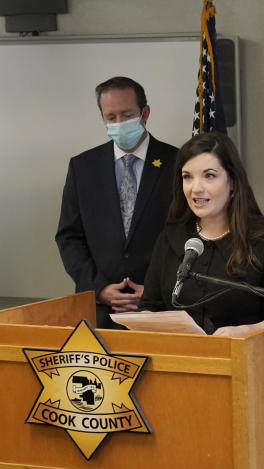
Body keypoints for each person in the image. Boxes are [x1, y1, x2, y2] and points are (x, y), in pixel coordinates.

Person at [139, 132, 264, 336]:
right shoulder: (171, 236)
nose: (196, 188)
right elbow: (150, 306)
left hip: (246, 359)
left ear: (232, 182)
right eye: (187, 177)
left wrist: (245, 332)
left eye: (209, 176)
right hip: (178, 361)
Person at [56, 76, 179, 329]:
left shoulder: (178, 163)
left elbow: (190, 235)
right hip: (101, 312)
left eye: (127, 115)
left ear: (145, 113)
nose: (119, 123)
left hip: (162, 309)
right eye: (111, 117)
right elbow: (69, 237)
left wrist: (156, 289)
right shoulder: (83, 167)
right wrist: (98, 288)